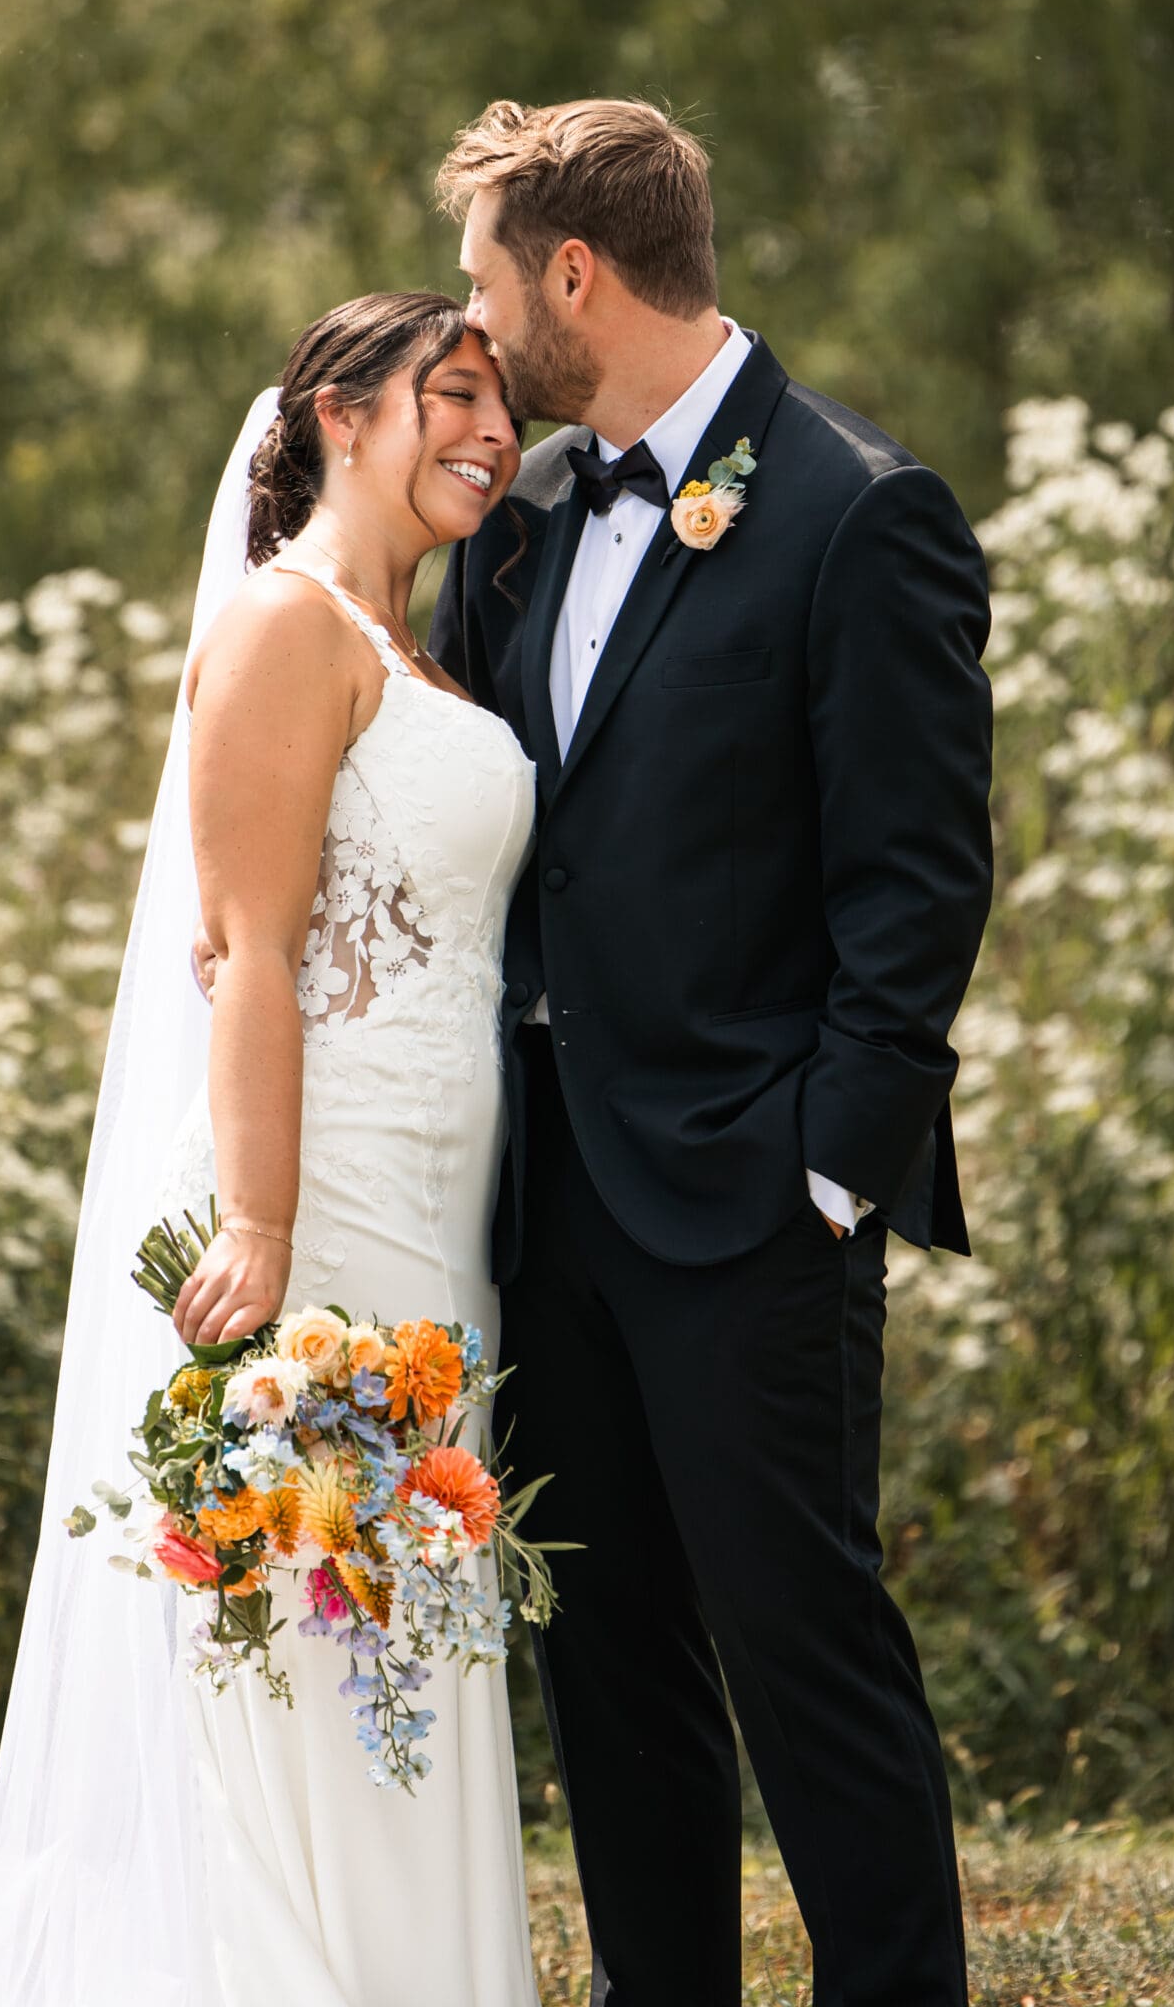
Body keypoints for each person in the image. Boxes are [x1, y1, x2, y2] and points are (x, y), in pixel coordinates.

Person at [428, 98, 995, 2007]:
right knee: (613, 1670)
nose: (476, 330)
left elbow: (917, 890)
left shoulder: (857, 507)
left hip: (759, 1199)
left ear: (573, 272)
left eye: (486, 284)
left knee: (804, 1656)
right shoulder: (515, 533)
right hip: (552, 1203)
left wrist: (830, 1171)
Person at [0, 291, 541, 2007]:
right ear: (343, 414)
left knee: (413, 1615)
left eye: (504, 409)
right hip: (327, 1199)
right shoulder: (289, 628)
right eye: (454, 396)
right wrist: (263, 1224)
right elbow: (251, 946)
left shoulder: (420, 647)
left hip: (443, 1215)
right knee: (331, 1620)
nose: (490, 436)